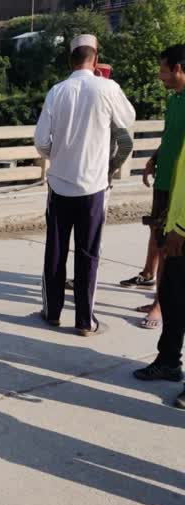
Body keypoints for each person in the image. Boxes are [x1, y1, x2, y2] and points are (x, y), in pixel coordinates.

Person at [35, 34, 135, 336]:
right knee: (88, 253)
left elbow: (41, 141)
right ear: (96, 57)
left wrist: (60, 155)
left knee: (55, 250)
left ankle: (52, 313)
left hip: (60, 185)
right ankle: (84, 321)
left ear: (70, 59)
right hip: (93, 187)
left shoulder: (57, 91)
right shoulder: (107, 88)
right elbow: (127, 119)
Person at [122, 45, 185, 330]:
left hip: (179, 188)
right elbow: (170, 136)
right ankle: (158, 296)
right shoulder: (174, 100)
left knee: (171, 249)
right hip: (163, 181)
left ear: (178, 69)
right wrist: (154, 159)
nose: (160, 75)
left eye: (163, 69)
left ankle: (160, 305)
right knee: (159, 241)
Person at [133, 111, 185, 409]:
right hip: (176, 224)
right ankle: (168, 362)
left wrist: (182, 228)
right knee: (171, 297)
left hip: (182, 230)